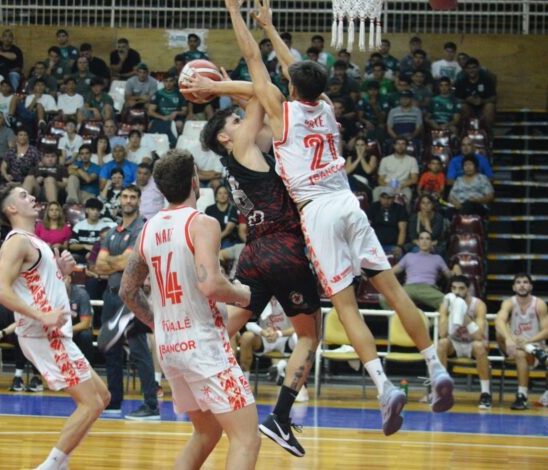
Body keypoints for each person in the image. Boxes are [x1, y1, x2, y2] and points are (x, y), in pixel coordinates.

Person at [194, 0, 455, 436]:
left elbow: (256, 60)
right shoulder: (328, 107)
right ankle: (435, 365)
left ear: (291, 87)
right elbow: (293, 69)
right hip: (349, 201)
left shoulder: (281, 113)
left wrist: (239, 17)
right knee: (393, 290)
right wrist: (270, 27)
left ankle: (384, 386)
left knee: (346, 306)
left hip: (316, 212)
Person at [119, 150, 260, 469]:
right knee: (246, 438)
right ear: (195, 181)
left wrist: (157, 323)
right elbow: (211, 285)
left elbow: (127, 290)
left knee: (206, 433)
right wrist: (244, 294)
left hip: (169, 348)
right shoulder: (202, 223)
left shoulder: (148, 229)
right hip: (204, 348)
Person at [201, 99, 322, 454]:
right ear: (225, 137)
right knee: (309, 335)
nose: (243, 121)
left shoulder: (237, 159)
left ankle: (198, 378)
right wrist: (224, 88)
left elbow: (269, 120)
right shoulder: (242, 148)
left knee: (223, 329)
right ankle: (280, 418)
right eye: (235, 121)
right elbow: (259, 96)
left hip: (254, 252)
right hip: (281, 248)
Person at [0, 183, 110, 470]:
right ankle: (51, 466)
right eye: (23, 195)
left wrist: (61, 273)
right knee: (91, 403)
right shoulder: (17, 242)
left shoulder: (35, 241)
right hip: (44, 333)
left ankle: (60, 462)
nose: (32, 197)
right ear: (11, 208)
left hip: (53, 331)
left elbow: (42, 290)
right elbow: (0, 291)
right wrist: (41, 316)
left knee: (102, 397)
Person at [95, 185, 160, 420]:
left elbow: (128, 262)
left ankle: (151, 405)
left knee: (138, 349)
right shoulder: (113, 232)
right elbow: (98, 265)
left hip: (132, 296)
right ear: (119, 200)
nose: (128, 200)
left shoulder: (142, 229)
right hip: (111, 294)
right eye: (125, 196)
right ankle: (114, 401)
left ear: (139, 201)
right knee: (110, 349)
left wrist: (113, 263)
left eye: (133, 197)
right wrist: (118, 262)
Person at [495, 273, 548, 410]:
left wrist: (528, 341)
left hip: (535, 345)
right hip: (512, 345)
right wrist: (509, 339)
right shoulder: (508, 303)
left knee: (521, 353)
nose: (522, 285)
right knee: (500, 333)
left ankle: (523, 395)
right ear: (514, 287)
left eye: (525, 282)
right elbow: (499, 321)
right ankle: (522, 396)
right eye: (518, 282)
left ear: (530, 286)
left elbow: (546, 330)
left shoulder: (539, 304)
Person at [437, 275, 491, 408]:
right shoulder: (446, 303)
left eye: (461, 288)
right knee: (442, 343)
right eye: (454, 288)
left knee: (479, 346)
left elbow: (479, 336)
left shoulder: (478, 305)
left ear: (468, 289)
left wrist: (463, 314)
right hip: (455, 343)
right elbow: (442, 333)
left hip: (472, 343)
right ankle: (442, 391)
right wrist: (450, 311)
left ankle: (485, 393)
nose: (457, 292)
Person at [381, 230, 460, 311]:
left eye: (427, 239)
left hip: (428, 289)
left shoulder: (437, 258)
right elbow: (391, 272)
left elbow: (449, 276)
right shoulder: (409, 256)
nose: (424, 241)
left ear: (432, 243)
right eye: (421, 238)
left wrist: (455, 270)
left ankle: (433, 320)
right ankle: (401, 319)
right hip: (409, 288)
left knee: (450, 302)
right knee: (384, 298)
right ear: (418, 242)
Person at [373, 137, 419, 204]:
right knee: (376, 191)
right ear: (394, 146)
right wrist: (389, 187)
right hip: (387, 185)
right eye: (398, 144)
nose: (400, 146)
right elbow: (380, 179)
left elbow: (414, 179)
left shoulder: (412, 160)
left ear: (406, 146)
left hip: (403, 186)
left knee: (407, 194)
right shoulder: (385, 160)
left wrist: (401, 186)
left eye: (403, 144)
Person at [69, 198, 115, 264]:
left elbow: (109, 246)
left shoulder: (105, 227)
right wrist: (85, 246)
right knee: (72, 257)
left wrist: (94, 252)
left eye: (98, 210)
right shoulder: (78, 226)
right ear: (87, 210)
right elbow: (72, 246)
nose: (95, 212)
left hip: (99, 256)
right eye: (93, 209)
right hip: (81, 256)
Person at [455, 57, 496, 127]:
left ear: (478, 68)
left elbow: (494, 98)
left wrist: (482, 101)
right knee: (462, 107)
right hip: (469, 107)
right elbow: (456, 99)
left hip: (483, 106)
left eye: (474, 67)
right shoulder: (461, 81)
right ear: (466, 70)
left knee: (490, 106)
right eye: (469, 68)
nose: (471, 70)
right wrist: (467, 100)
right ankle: (465, 130)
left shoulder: (486, 79)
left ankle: (487, 131)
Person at [367, 187, 408, 257]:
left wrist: (399, 246)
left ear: (394, 198)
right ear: (380, 198)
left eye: (389, 198)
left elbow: (402, 230)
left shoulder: (400, 209)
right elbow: (367, 227)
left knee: (400, 255)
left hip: (393, 245)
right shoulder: (373, 207)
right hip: (376, 245)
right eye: (383, 197)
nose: (386, 200)